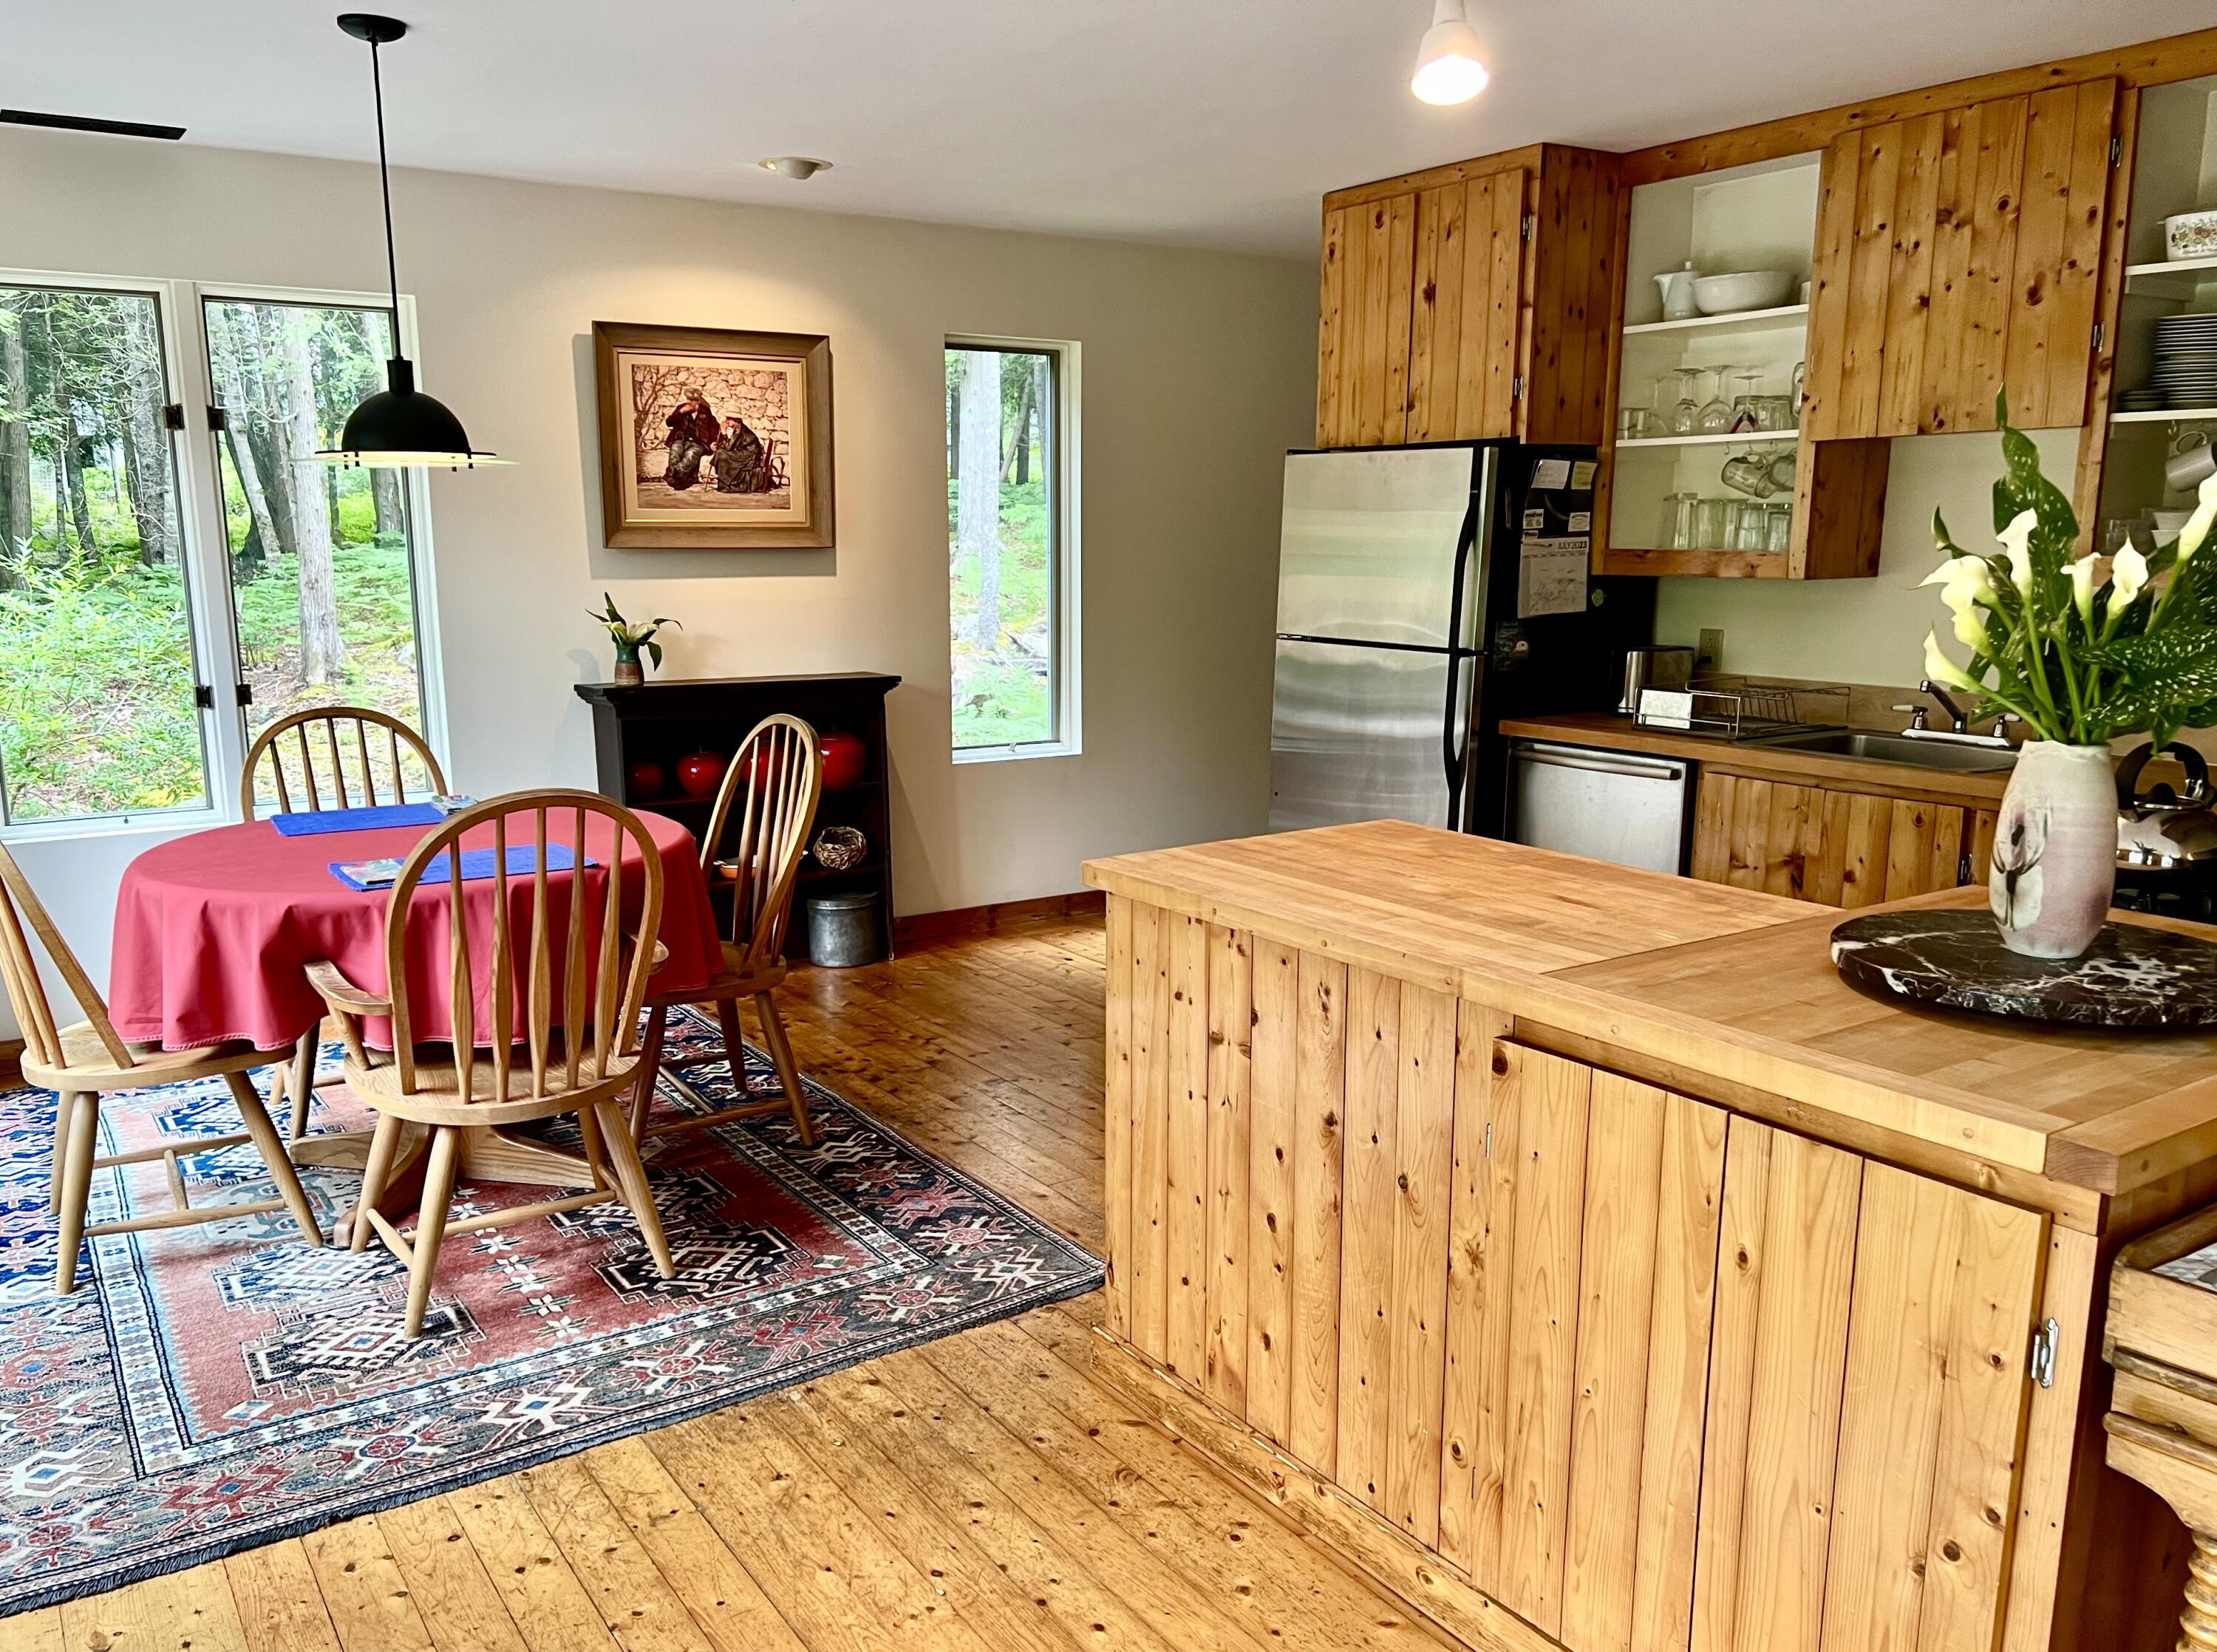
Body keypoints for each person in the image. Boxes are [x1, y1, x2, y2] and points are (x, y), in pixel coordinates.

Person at [663, 387, 720, 491]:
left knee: (691, 455)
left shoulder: (705, 412)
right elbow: (669, 423)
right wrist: (681, 412)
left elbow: (714, 428)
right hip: (681, 439)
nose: (689, 402)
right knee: (675, 450)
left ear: (698, 401)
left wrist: (713, 442)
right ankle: (676, 480)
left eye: (692, 400)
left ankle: (672, 474)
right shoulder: (682, 408)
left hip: (698, 443)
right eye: (688, 399)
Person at [712, 412, 772, 494]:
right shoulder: (739, 428)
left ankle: (727, 484)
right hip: (745, 453)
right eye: (727, 418)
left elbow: (729, 447)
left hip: (750, 456)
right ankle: (726, 483)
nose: (726, 421)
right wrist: (718, 445)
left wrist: (724, 432)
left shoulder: (740, 430)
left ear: (736, 420)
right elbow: (732, 445)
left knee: (721, 454)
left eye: (729, 419)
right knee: (721, 453)